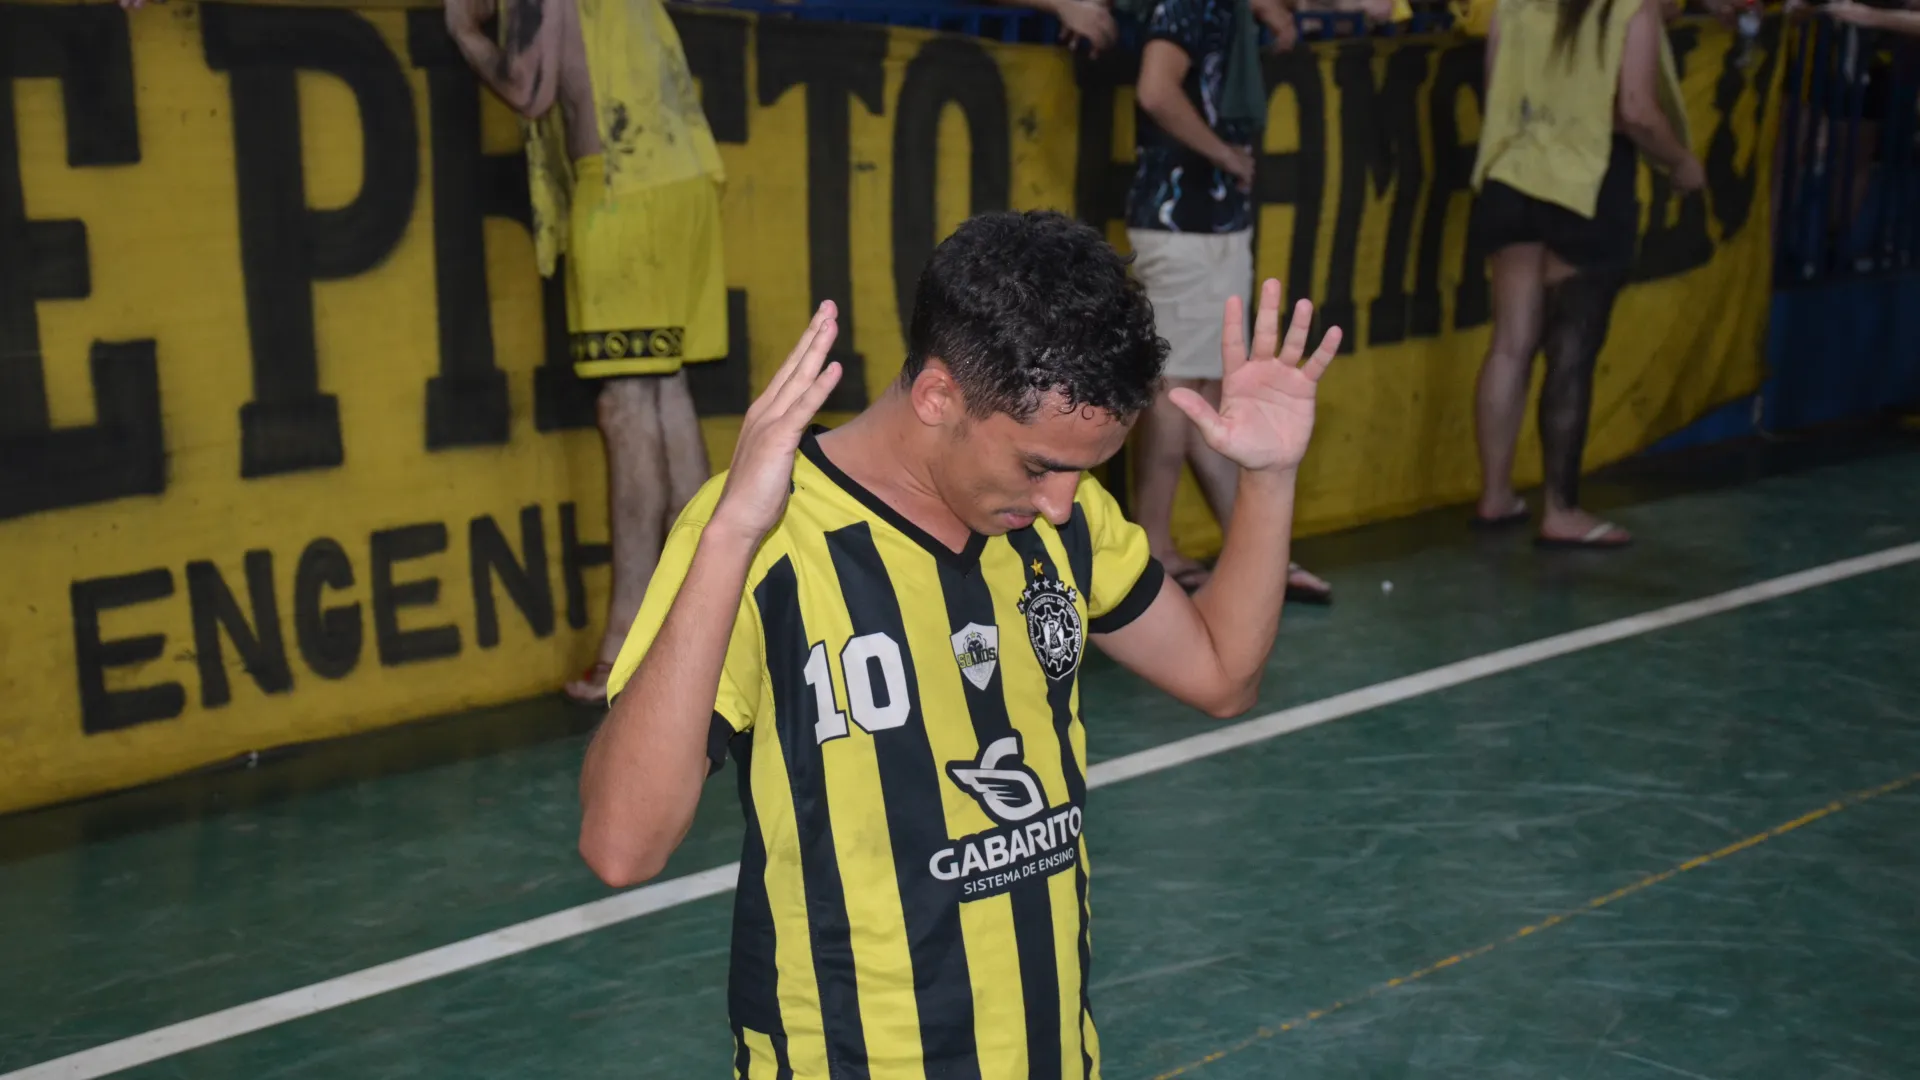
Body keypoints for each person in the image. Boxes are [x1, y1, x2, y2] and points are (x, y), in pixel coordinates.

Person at [577, 211, 1340, 1077]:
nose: (1061, 502)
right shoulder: (767, 539)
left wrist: (1269, 478)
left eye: (1084, 471)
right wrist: (726, 541)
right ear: (939, 396)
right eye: (1039, 466)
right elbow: (621, 845)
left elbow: (1223, 675)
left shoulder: (1062, 519)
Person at [444, 0, 726, 702]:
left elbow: (528, 88)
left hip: (623, 188)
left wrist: (464, 32)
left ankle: (625, 646)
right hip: (685, 179)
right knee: (666, 396)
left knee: (626, 409)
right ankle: (717, 625)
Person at [1467, 0, 1704, 547]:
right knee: (1570, 351)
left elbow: (1495, 86)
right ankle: (1561, 509)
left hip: (1511, 174)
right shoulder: (1630, 8)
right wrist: (1682, 162)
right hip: (1585, 183)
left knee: (1509, 345)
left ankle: (1496, 495)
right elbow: (1637, 110)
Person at [1125, 0, 1332, 603]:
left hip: (1209, 224)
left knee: (1206, 396)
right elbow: (1155, 89)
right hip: (1184, 223)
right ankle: (1154, 547)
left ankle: (1255, 548)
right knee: (1175, 390)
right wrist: (1223, 153)